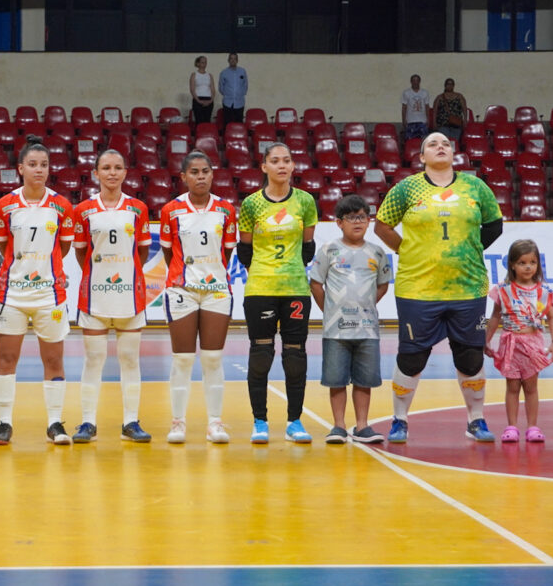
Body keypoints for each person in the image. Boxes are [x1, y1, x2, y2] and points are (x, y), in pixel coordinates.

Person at [375, 132, 503, 443]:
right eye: (432, 144)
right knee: (412, 356)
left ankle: (476, 420)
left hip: (469, 288)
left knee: (471, 355)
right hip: (417, 289)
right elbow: (381, 226)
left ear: (454, 152)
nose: (440, 147)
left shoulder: (475, 186)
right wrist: (407, 250)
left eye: (445, 143)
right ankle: (399, 420)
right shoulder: (406, 188)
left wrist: (468, 249)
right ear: (421, 157)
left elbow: (495, 225)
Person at [0, 136, 75, 445]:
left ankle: (55, 423)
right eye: (33, 165)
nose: (39, 170)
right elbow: (3, 246)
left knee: (54, 361)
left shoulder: (62, 205)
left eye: (44, 165)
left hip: (49, 295)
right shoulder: (5, 205)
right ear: (20, 168)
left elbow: (63, 248)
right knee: (6, 360)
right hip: (11, 295)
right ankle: (4, 423)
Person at [237, 142, 318, 444]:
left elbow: (308, 248)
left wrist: (289, 270)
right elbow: (244, 249)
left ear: (293, 166)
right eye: (275, 161)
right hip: (260, 288)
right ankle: (260, 421)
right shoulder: (251, 204)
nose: (282, 165)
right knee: (261, 354)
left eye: (287, 160)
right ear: (264, 167)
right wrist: (264, 272)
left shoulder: (306, 202)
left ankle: (294, 421)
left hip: (296, 288)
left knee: (295, 356)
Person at [71, 150, 153, 443]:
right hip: (95, 296)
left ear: (125, 172)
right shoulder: (82, 210)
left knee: (129, 359)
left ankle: (130, 422)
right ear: (96, 173)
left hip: (130, 296)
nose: (112, 173)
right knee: (93, 360)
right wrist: (101, 276)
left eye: (118, 167)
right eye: (106, 168)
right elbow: (81, 252)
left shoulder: (138, 208)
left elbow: (142, 252)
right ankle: (87, 423)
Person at [160, 151, 238, 444]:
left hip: (217, 289)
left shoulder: (226, 210)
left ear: (212, 174)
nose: (201, 176)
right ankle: (178, 423)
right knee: (182, 359)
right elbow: (169, 252)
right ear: (183, 177)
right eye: (194, 172)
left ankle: (215, 424)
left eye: (206, 171)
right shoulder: (170, 210)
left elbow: (226, 252)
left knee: (213, 358)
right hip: (182, 289)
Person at [309, 195, 392, 444]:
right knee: (336, 379)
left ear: (368, 221)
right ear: (339, 223)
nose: (358, 222)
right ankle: (338, 426)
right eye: (351, 217)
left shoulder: (377, 252)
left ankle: (362, 425)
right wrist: (331, 310)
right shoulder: (328, 250)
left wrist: (363, 307)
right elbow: (315, 284)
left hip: (367, 330)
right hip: (336, 330)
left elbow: (382, 286)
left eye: (362, 217)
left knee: (364, 380)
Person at [483, 240, 553, 443]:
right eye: (522, 262)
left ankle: (533, 427)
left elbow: (551, 317)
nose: (528, 267)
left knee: (531, 386)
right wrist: (487, 340)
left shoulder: (543, 292)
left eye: (532, 262)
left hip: (532, 344)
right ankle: (512, 427)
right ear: (512, 265)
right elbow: (495, 316)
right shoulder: (504, 290)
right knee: (513, 386)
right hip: (510, 344)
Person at [218, 53, 248, 127]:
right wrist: (227, 94)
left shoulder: (242, 71)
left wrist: (240, 94)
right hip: (228, 102)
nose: (233, 60)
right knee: (227, 124)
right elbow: (221, 87)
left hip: (239, 102)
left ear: (237, 60)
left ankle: (238, 138)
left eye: (235, 59)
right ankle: (227, 138)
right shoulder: (224, 73)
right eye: (231, 58)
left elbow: (245, 85)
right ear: (228, 60)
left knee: (239, 124)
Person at [401, 74, 432, 141]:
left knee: (423, 141)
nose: (415, 82)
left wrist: (428, 119)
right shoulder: (406, 93)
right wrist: (403, 120)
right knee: (410, 141)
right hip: (410, 121)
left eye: (417, 80)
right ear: (411, 82)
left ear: (419, 81)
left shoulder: (425, 92)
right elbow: (404, 107)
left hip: (422, 121)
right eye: (414, 80)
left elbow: (427, 106)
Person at [190, 55, 215, 125]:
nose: (204, 64)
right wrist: (198, 101)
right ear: (198, 64)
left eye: (205, 62)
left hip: (208, 99)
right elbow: (192, 89)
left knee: (207, 121)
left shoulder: (209, 75)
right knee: (199, 121)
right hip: (198, 99)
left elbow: (213, 89)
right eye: (202, 62)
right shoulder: (194, 75)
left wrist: (211, 100)